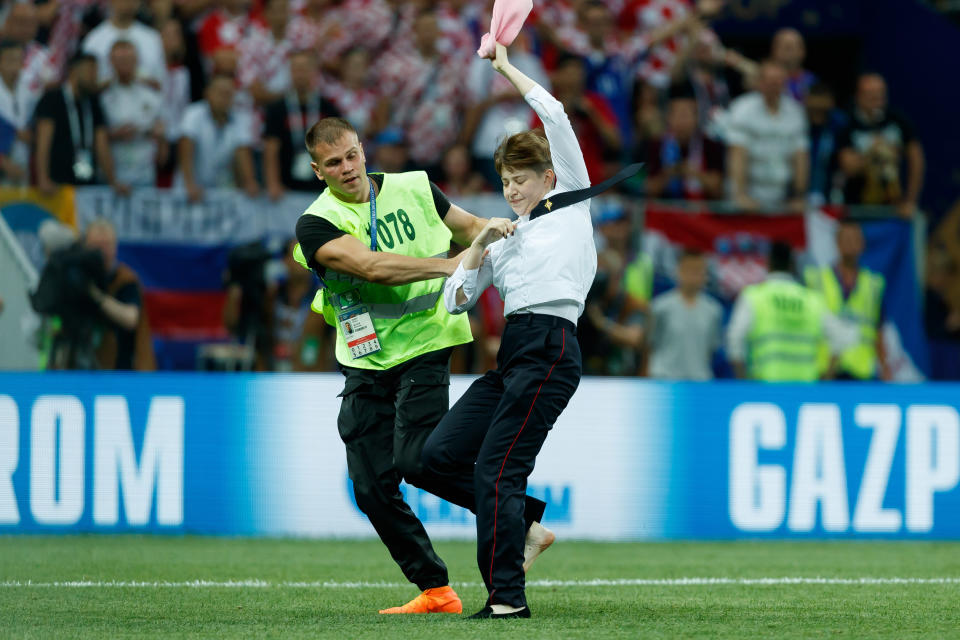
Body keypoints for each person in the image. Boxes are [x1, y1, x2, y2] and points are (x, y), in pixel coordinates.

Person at [292, 116, 548, 615]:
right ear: (316, 170)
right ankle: (437, 589)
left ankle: (520, 524)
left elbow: (473, 229)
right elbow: (370, 266)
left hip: (427, 344)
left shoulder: (413, 186)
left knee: (415, 460)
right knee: (370, 487)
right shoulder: (314, 223)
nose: (346, 168)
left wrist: (519, 240)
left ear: (363, 150)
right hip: (365, 360)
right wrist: (452, 264)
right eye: (332, 163)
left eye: (350, 155)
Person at [421, 43, 593, 619]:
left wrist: (504, 67)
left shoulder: (570, 201)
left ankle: (505, 603)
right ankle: (529, 524)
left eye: (521, 178)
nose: (512, 189)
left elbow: (557, 114)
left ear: (548, 175)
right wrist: (476, 245)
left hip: (551, 346)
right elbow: (455, 302)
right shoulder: (505, 235)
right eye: (504, 180)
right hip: (513, 355)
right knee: (432, 458)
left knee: (498, 470)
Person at [726, 241, 853, 382]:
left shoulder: (754, 296)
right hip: (805, 388)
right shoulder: (811, 300)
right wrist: (826, 376)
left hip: (765, 387)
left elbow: (734, 339)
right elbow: (843, 337)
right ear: (792, 265)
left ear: (768, 264)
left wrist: (743, 381)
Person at [804, 220, 889, 380]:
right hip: (825, 370)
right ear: (837, 243)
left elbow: (878, 329)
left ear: (862, 244)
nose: (850, 245)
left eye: (854, 240)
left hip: (861, 370)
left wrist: (885, 367)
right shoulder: (816, 280)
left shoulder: (873, 284)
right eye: (846, 239)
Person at [33, 53, 127, 195]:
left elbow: (101, 144)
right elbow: (43, 142)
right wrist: (43, 178)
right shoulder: (52, 98)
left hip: (87, 184)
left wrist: (112, 180)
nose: (95, 76)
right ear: (74, 71)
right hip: (57, 184)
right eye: (91, 71)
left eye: (96, 71)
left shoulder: (93, 102)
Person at [836, 73, 924, 217]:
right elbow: (848, 167)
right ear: (858, 95)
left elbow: (917, 160)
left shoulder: (898, 121)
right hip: (857, 209)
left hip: (894, 209)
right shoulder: (847, 124)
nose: (876, 98)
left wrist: (911, 200)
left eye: (880, 93)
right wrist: (876, 152)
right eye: (870, 93)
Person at [726, 60, 809, 211]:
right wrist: (740, 195)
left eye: (778, 81)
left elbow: (800, 158)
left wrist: (798, 196)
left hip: (783, 197)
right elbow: (737, 154)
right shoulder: (742, 109)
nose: (774, 86)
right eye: (770, 81)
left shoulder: (796, 112)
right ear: (760, 82)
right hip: (749, 195)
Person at [263, 49, 341, 200]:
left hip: (322, 189)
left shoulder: (328, 108)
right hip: (286, 189)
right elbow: (271, 148)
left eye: (304, 69)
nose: (300, 74)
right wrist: (273, 183)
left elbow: (338, 148)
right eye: (296, 69)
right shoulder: (277, 108)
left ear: (314, 72)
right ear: (290, 72)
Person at [175, 73, 258, 202]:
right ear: (208, 93)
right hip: (190, 189)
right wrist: (189, 184)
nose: (225, 98)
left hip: (220, 191)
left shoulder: (239, 120)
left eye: (229, 94)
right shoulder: (193, 114)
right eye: (220, 93)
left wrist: (249, 182)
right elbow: (186, 147)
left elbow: (242, 152)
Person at [647, 249, 723, 380]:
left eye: (699, 271)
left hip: (699, 381)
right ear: (678, 271)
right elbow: (650, 344)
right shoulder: (660, 307)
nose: (694, 276)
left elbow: (711, 349)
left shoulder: (714, 311)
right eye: (690, 270)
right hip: (665, 379)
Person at [100, 40, 166, 187]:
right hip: (112, 173)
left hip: (145, 174)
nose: (125, 64)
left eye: (129, 59)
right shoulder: (102, 96)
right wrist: (113, 135)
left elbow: (161, 135)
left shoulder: (151, 95)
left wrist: (158, 136)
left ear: (137, 60)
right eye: (120, 59)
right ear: (111, 61)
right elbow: (95, 136)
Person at [642, 89, 724, 200]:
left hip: (700, 210)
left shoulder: (710, 145)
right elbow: (650, 189)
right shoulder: (657, 145)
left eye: (686, 115)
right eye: (677, 115)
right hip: (666, 209)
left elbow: (717, 189)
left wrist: (692, 172)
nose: (681, 121)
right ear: (669, 118)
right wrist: (669, 174)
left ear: (696, 118)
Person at [81, 0, 166, 87]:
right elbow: (87, 85)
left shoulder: (152, 38)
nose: (127, 3)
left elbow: (162, 82)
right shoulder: (94, 40)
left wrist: (137, 78)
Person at [770, 27, 816, 102]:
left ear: (802, 51)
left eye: (790, 47)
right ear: (773, 50)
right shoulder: (762, 79)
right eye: (782, 47)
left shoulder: (811, 81)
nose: (786, 53)